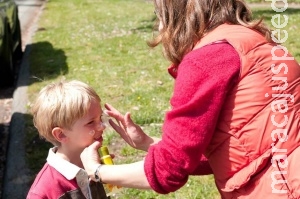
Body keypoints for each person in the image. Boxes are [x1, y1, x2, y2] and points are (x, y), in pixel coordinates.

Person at [80, 0, 300, 198]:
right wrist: (148, 143)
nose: (159, 27)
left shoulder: (206, 59)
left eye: (160, 16)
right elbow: (241, 150)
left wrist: (98, 171)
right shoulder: (254, 39)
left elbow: (168, 172)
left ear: (176, 13)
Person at [27, 80, 109, 199]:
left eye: (100, 117)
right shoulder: (44, 190)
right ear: (61, 135)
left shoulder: (93, 162)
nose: (102, 126)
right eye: (91, 122)